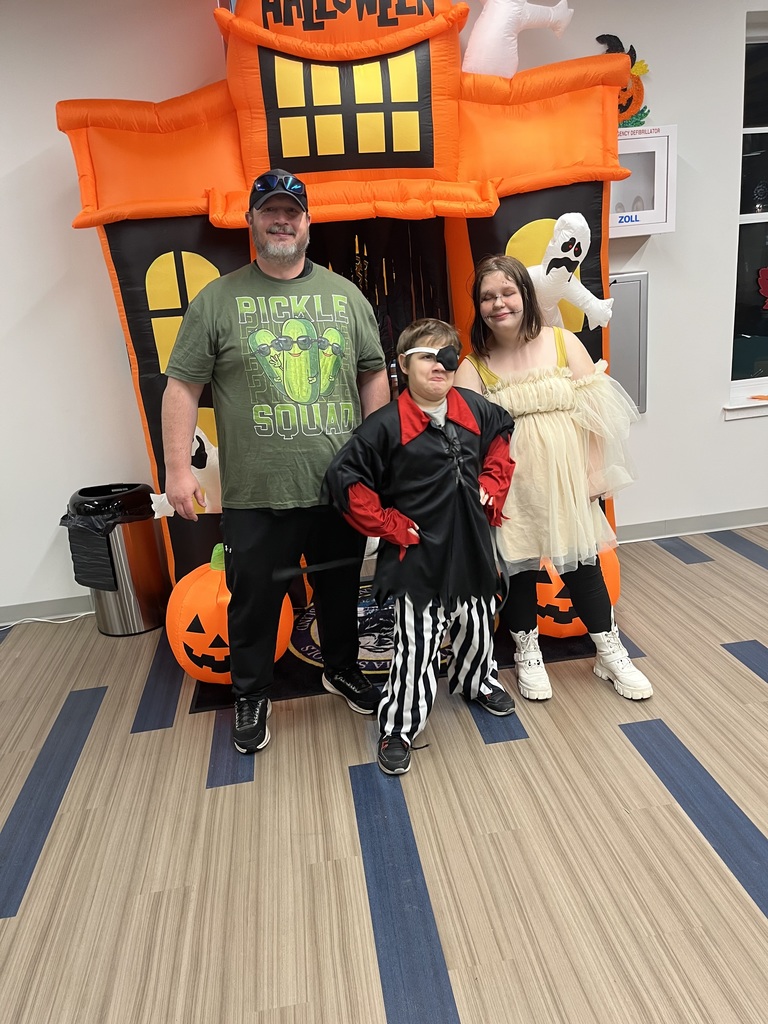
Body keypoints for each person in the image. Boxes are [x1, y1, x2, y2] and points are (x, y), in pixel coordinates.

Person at [162, 168, 391, 754]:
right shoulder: (217, 299)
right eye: (270, 211)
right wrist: (178, 470)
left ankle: (340, 669)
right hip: (257, 489)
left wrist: (376, 456)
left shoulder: (345, 297)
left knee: (341, 588)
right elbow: (182, 387)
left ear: (308, 222)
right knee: (254, 597)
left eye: (292, 211)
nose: (281, 220)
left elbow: (372, 374)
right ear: (253, 222)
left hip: (339, 484)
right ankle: (251, 691)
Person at [323, 318, 517, 776]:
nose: (440, 364)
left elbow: (502, 439)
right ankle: (399, 725)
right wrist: (389, 524)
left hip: (471, 547)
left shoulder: (475, 408)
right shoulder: (385, 427)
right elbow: (344, 480)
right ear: (404, 367)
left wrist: (492, 483)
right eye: (428, 356)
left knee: (476, 625)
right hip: (418, 558)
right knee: (418, 646)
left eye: (448, 355)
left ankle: (477, 681)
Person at [454, 254, 652, 702]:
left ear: (525, 294)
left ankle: (609, 652)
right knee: (520, 570)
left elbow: (595, 415)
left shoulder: (563, 343)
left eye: (507, 292)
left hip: (568, 477)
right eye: (487, 297)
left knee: (583, 566)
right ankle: (528, 652)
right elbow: (467, 440)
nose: (498, 304)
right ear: (478, 306)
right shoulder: (474, 365)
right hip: (512, 485)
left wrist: (593, 472)